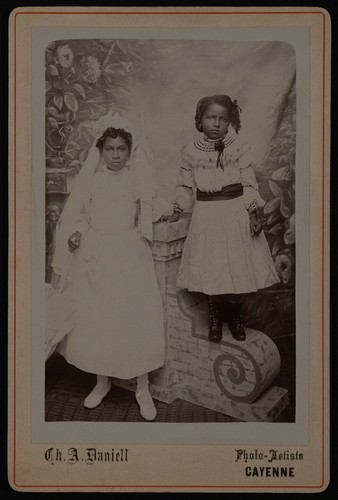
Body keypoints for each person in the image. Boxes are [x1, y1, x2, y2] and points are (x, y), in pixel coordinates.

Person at [46, 113, 167, 421]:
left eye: (121, 149)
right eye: (109, 149)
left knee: (133, 317)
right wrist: (78, 232)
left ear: (130, 151)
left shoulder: (136, 177)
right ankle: (102, 382)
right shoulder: (94, 181)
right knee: (101, 318)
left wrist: (164, 208)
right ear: (100, 151)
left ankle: (142, 387)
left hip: (129, 253)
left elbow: (151, 203)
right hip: (99, 254)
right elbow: (86, 216)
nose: (115, 155)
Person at [163, 95, 280, 343]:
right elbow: (185, 185)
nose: (216, 123)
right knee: (214, 266)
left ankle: (236, 317)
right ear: (200, 120)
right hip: (207, 216)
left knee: (236, 266)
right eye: (211, 118)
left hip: (235, 212)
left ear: (230, 122)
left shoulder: (238, 148)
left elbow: (248, 184)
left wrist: (251, 214)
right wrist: (176, 208)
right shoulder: (191, 152)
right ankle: (215, 317)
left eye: (223, 119)